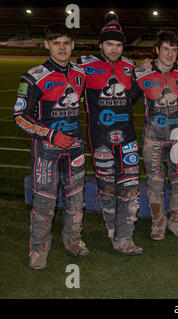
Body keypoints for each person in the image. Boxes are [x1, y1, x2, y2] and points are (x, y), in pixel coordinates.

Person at [14, 24, 89, 269]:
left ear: (73, 45)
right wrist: (50, 134)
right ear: (47, 45)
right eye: (56, 43)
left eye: (66, 42)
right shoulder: (33, 76)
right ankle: (38, 249)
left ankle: (73, 240)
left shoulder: (80, 73)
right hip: (46, 151)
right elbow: (20, 115)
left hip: (75, 149)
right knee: (44, 203)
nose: (62, 48)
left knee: (76, 201)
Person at [77, 14, 143, 255]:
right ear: (100, 44)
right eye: (109, 44)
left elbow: (134, 97)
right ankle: (112, 228)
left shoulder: (129, 67)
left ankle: (125, 238)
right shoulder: (84, 66)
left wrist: (142, 75)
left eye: (118, 45)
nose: (114, 49)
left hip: (127, 138)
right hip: (100, 139)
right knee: (108, 188)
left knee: (130, 187)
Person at [133, 30, 178, 240]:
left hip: (177, 138)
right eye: (165, 49)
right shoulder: (142, 74)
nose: (170, 54)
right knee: (155, 183)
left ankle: (175, 221)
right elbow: (124, 101)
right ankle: (158, 224)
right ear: (156, 50)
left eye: (174, 49)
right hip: (152, 138)